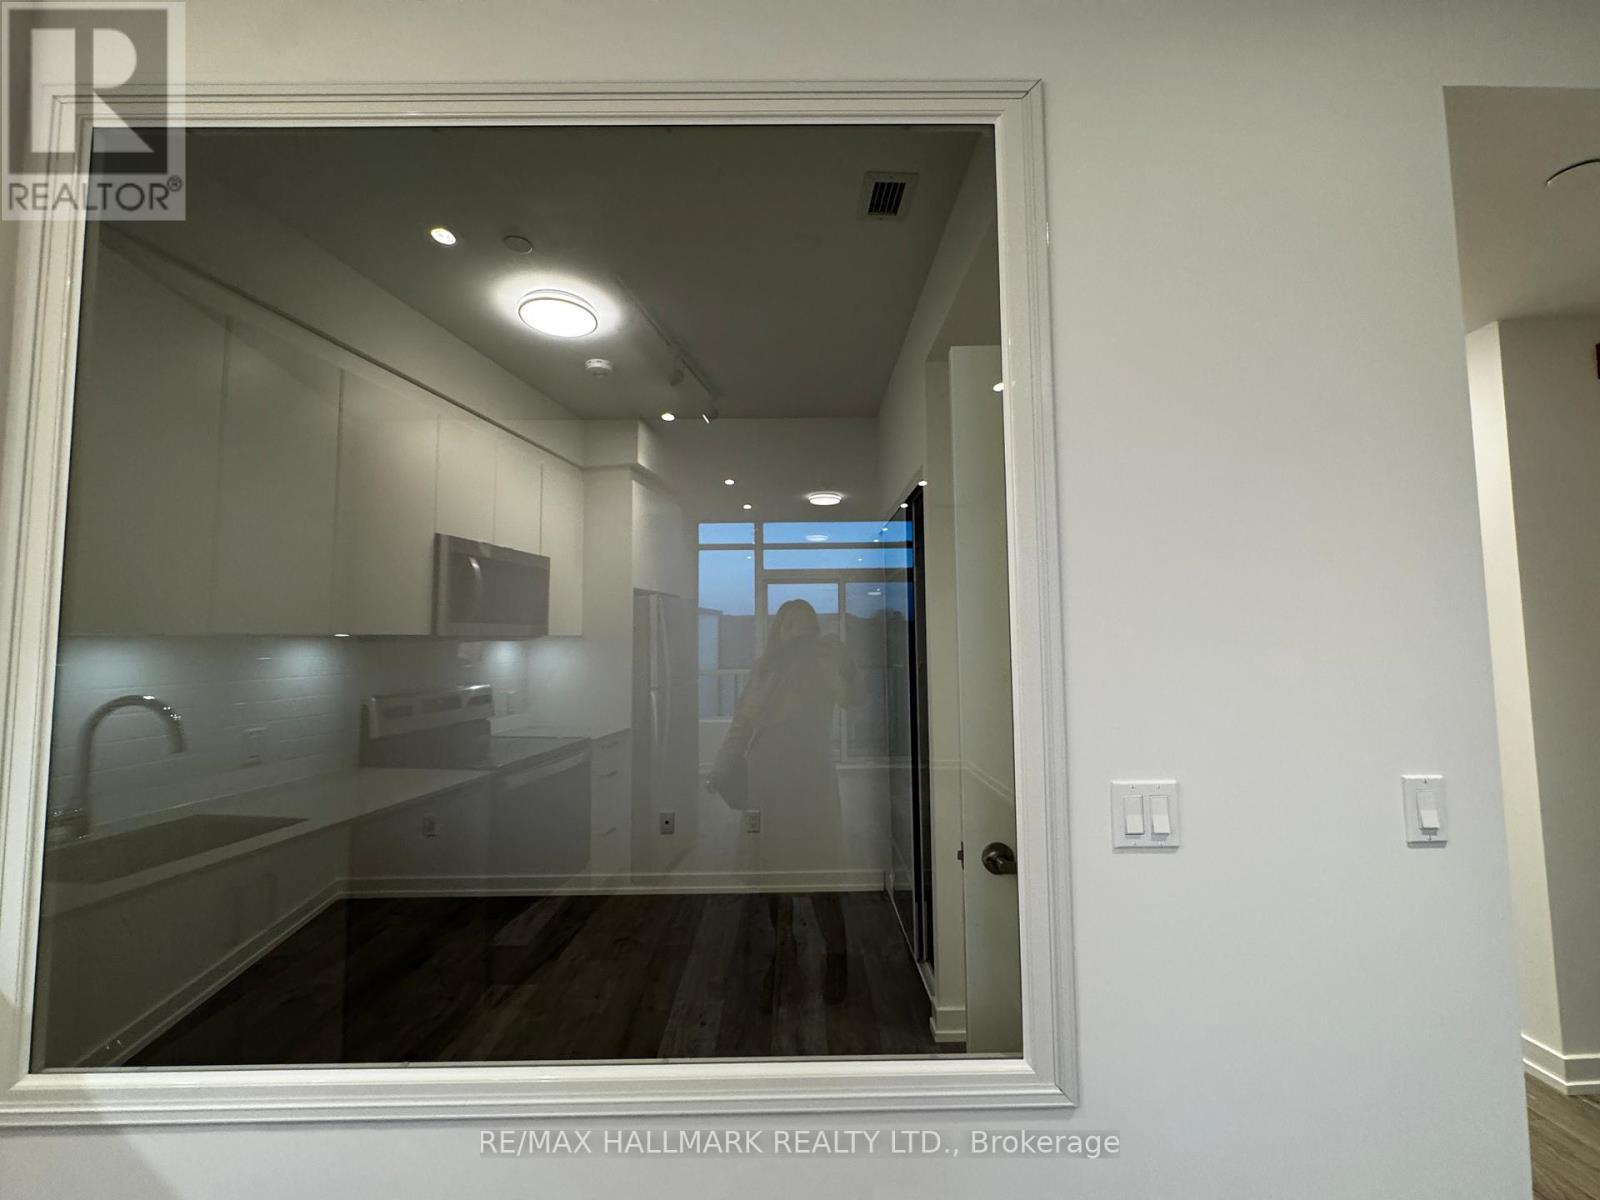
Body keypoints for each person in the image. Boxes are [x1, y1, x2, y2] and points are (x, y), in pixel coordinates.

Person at [708, 599, 854, 858]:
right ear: (779, 630)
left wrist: (838, 663)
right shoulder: (764, 669)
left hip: (812, 773)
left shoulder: (824, 663)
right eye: (792, 624)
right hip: (768, 773)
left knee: (816, 853)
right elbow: (743, 723)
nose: (798, 631)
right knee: (769, 853)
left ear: (814, 630)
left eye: (806, 625)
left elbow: (849, 698)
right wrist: (721, 768)